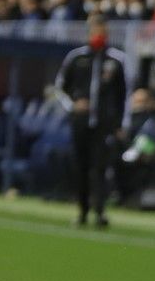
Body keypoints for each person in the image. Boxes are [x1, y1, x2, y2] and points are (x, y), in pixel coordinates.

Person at [53, 15, 128, 227]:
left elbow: (123, 94)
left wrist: (120, 123)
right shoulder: (76, 57)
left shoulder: (115, 59)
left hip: (104, 123)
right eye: (95, 30)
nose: (98, 34)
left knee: (101, 168)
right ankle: (82, 210)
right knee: (82, 166)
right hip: (81, 122)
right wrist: (73, 105)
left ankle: (100, 211)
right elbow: (60, 87)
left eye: (102, 30)